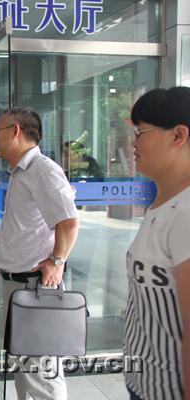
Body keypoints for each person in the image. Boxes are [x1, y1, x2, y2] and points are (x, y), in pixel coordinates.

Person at [0, 107, 79, 400]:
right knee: (23, 367)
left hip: (35, 287)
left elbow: (69, 221)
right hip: (18, 285)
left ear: (15, 131)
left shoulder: (43, 170)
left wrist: (57, 260)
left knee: (42, 374)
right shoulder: (21, 171)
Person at [125, 87, 190, 400]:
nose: (133, 143)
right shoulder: (164, 203)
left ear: (178, 135)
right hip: (144, 383)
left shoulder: (186, 211)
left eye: (141, 133)